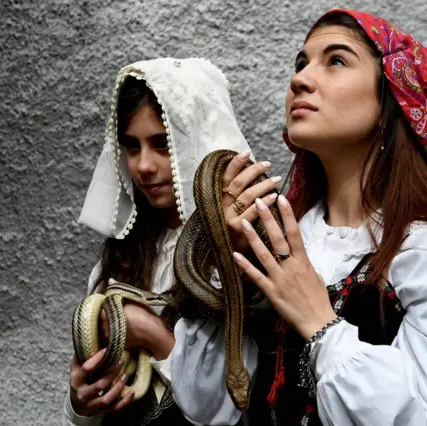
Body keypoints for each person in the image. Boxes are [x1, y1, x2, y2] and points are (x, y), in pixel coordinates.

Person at [170, 9, 427, 426]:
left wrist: (321, 325)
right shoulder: (279, 242)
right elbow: (206, 408)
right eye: (300, 63)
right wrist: (227, 261)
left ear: (392, 99)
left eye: (336, 60)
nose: (299, 79)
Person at [63, 57, 277, 426]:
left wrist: (151, 334)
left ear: (194, 141)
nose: (144, 166)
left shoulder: (240, 256)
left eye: (162, 144)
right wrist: (79, 405)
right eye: (132, 146)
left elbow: (221, 412)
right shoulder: (123, 251)